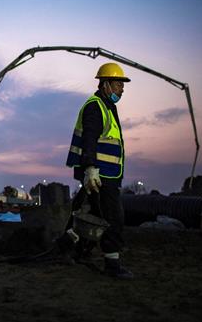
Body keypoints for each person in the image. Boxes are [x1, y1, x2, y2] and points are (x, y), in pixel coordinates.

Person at [65, 63, 134, 279]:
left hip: (105, 174)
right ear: (105, 85)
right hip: (100, 175)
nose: (122, 89)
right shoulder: (95, 107)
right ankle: (112, 265)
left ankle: (73, 249)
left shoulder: (107, 106)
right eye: (118, 84)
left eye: (122, 85)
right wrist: (91, 168)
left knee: (91, 214)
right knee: (113, 217)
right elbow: (89, 140)